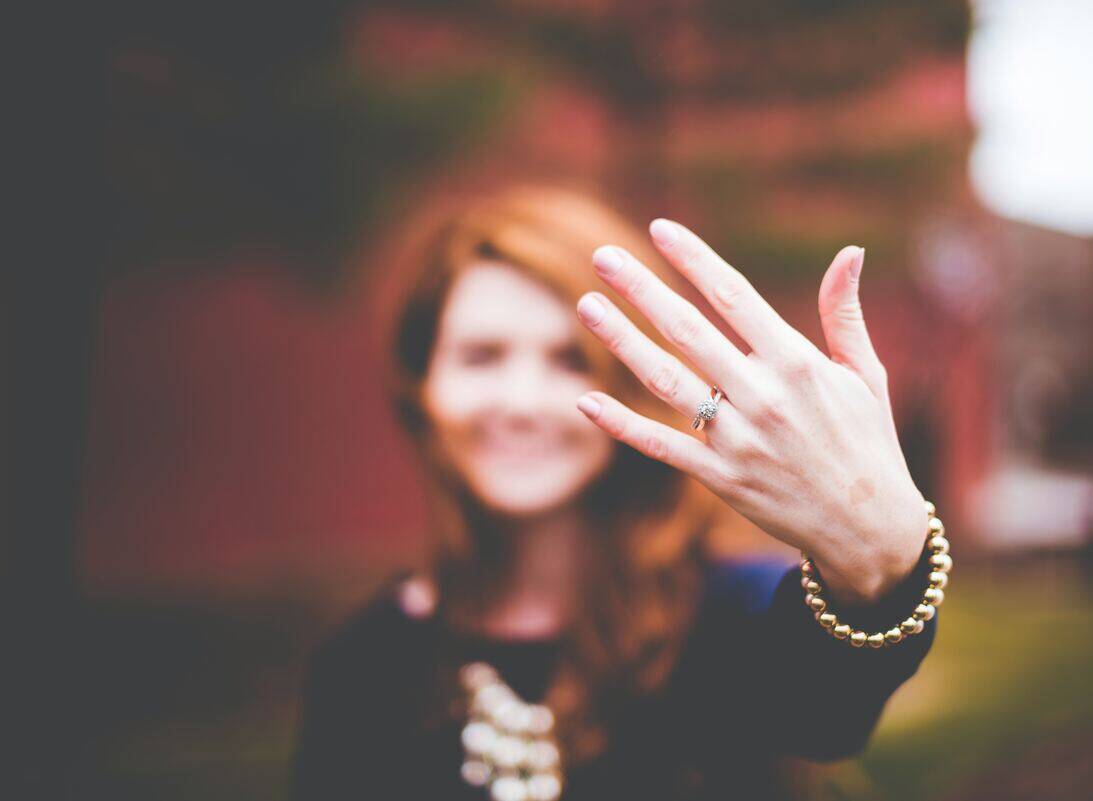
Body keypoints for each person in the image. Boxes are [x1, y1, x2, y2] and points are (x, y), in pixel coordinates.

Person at [290, 184, 944, 801]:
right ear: (421, 385)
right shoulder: (362, 667)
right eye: (482, 355)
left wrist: (880, 565)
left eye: (571, 356)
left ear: (638, 379)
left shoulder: (724, 618)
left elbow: (828, 703)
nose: (522, 403)